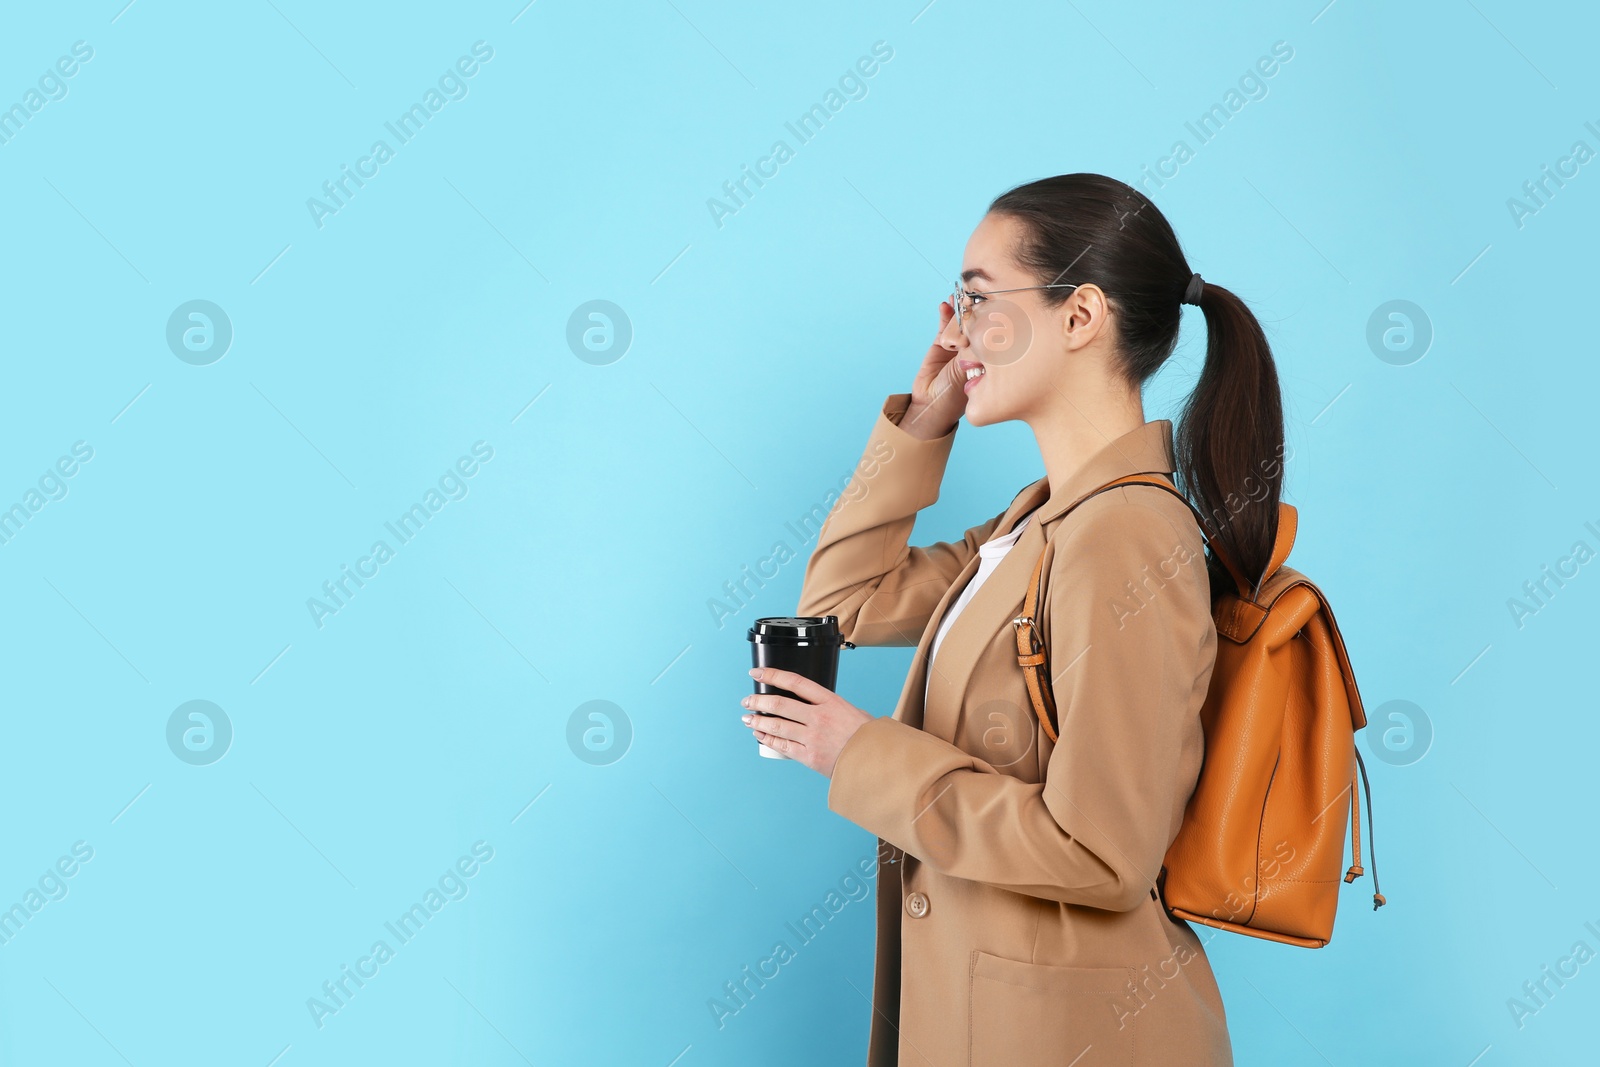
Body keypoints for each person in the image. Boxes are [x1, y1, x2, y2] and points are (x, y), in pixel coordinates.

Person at [739, 172, 1285, 1065]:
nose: (954, 333)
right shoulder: (1040, 523)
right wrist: (921, 424)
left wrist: (858, 752)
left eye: (979, 299)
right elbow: (844, 604)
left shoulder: (1126, 537)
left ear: (1080, 318)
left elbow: (1103, 852)